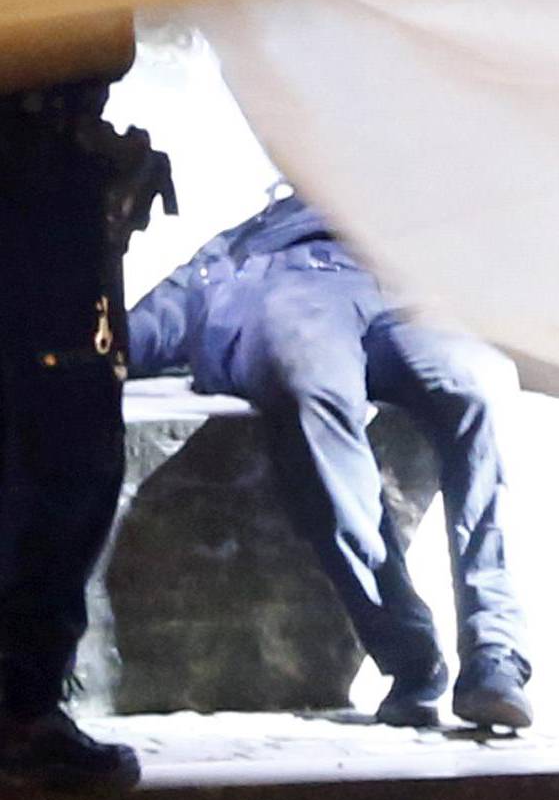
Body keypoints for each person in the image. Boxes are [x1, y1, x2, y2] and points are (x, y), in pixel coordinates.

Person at [127, 192, 533, 732]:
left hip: (401, 290)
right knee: (316, 394)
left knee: (474, 389)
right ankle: (409, 649)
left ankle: (494, 653)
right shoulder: (236, 250)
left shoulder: (383, 203)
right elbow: (133, 333)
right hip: (292, 296)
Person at [0, 33, 173, 790]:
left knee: (68, 454)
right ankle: (23, 711)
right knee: (55, 457)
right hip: (33, 188)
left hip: (52, 180)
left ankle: (27, 704)